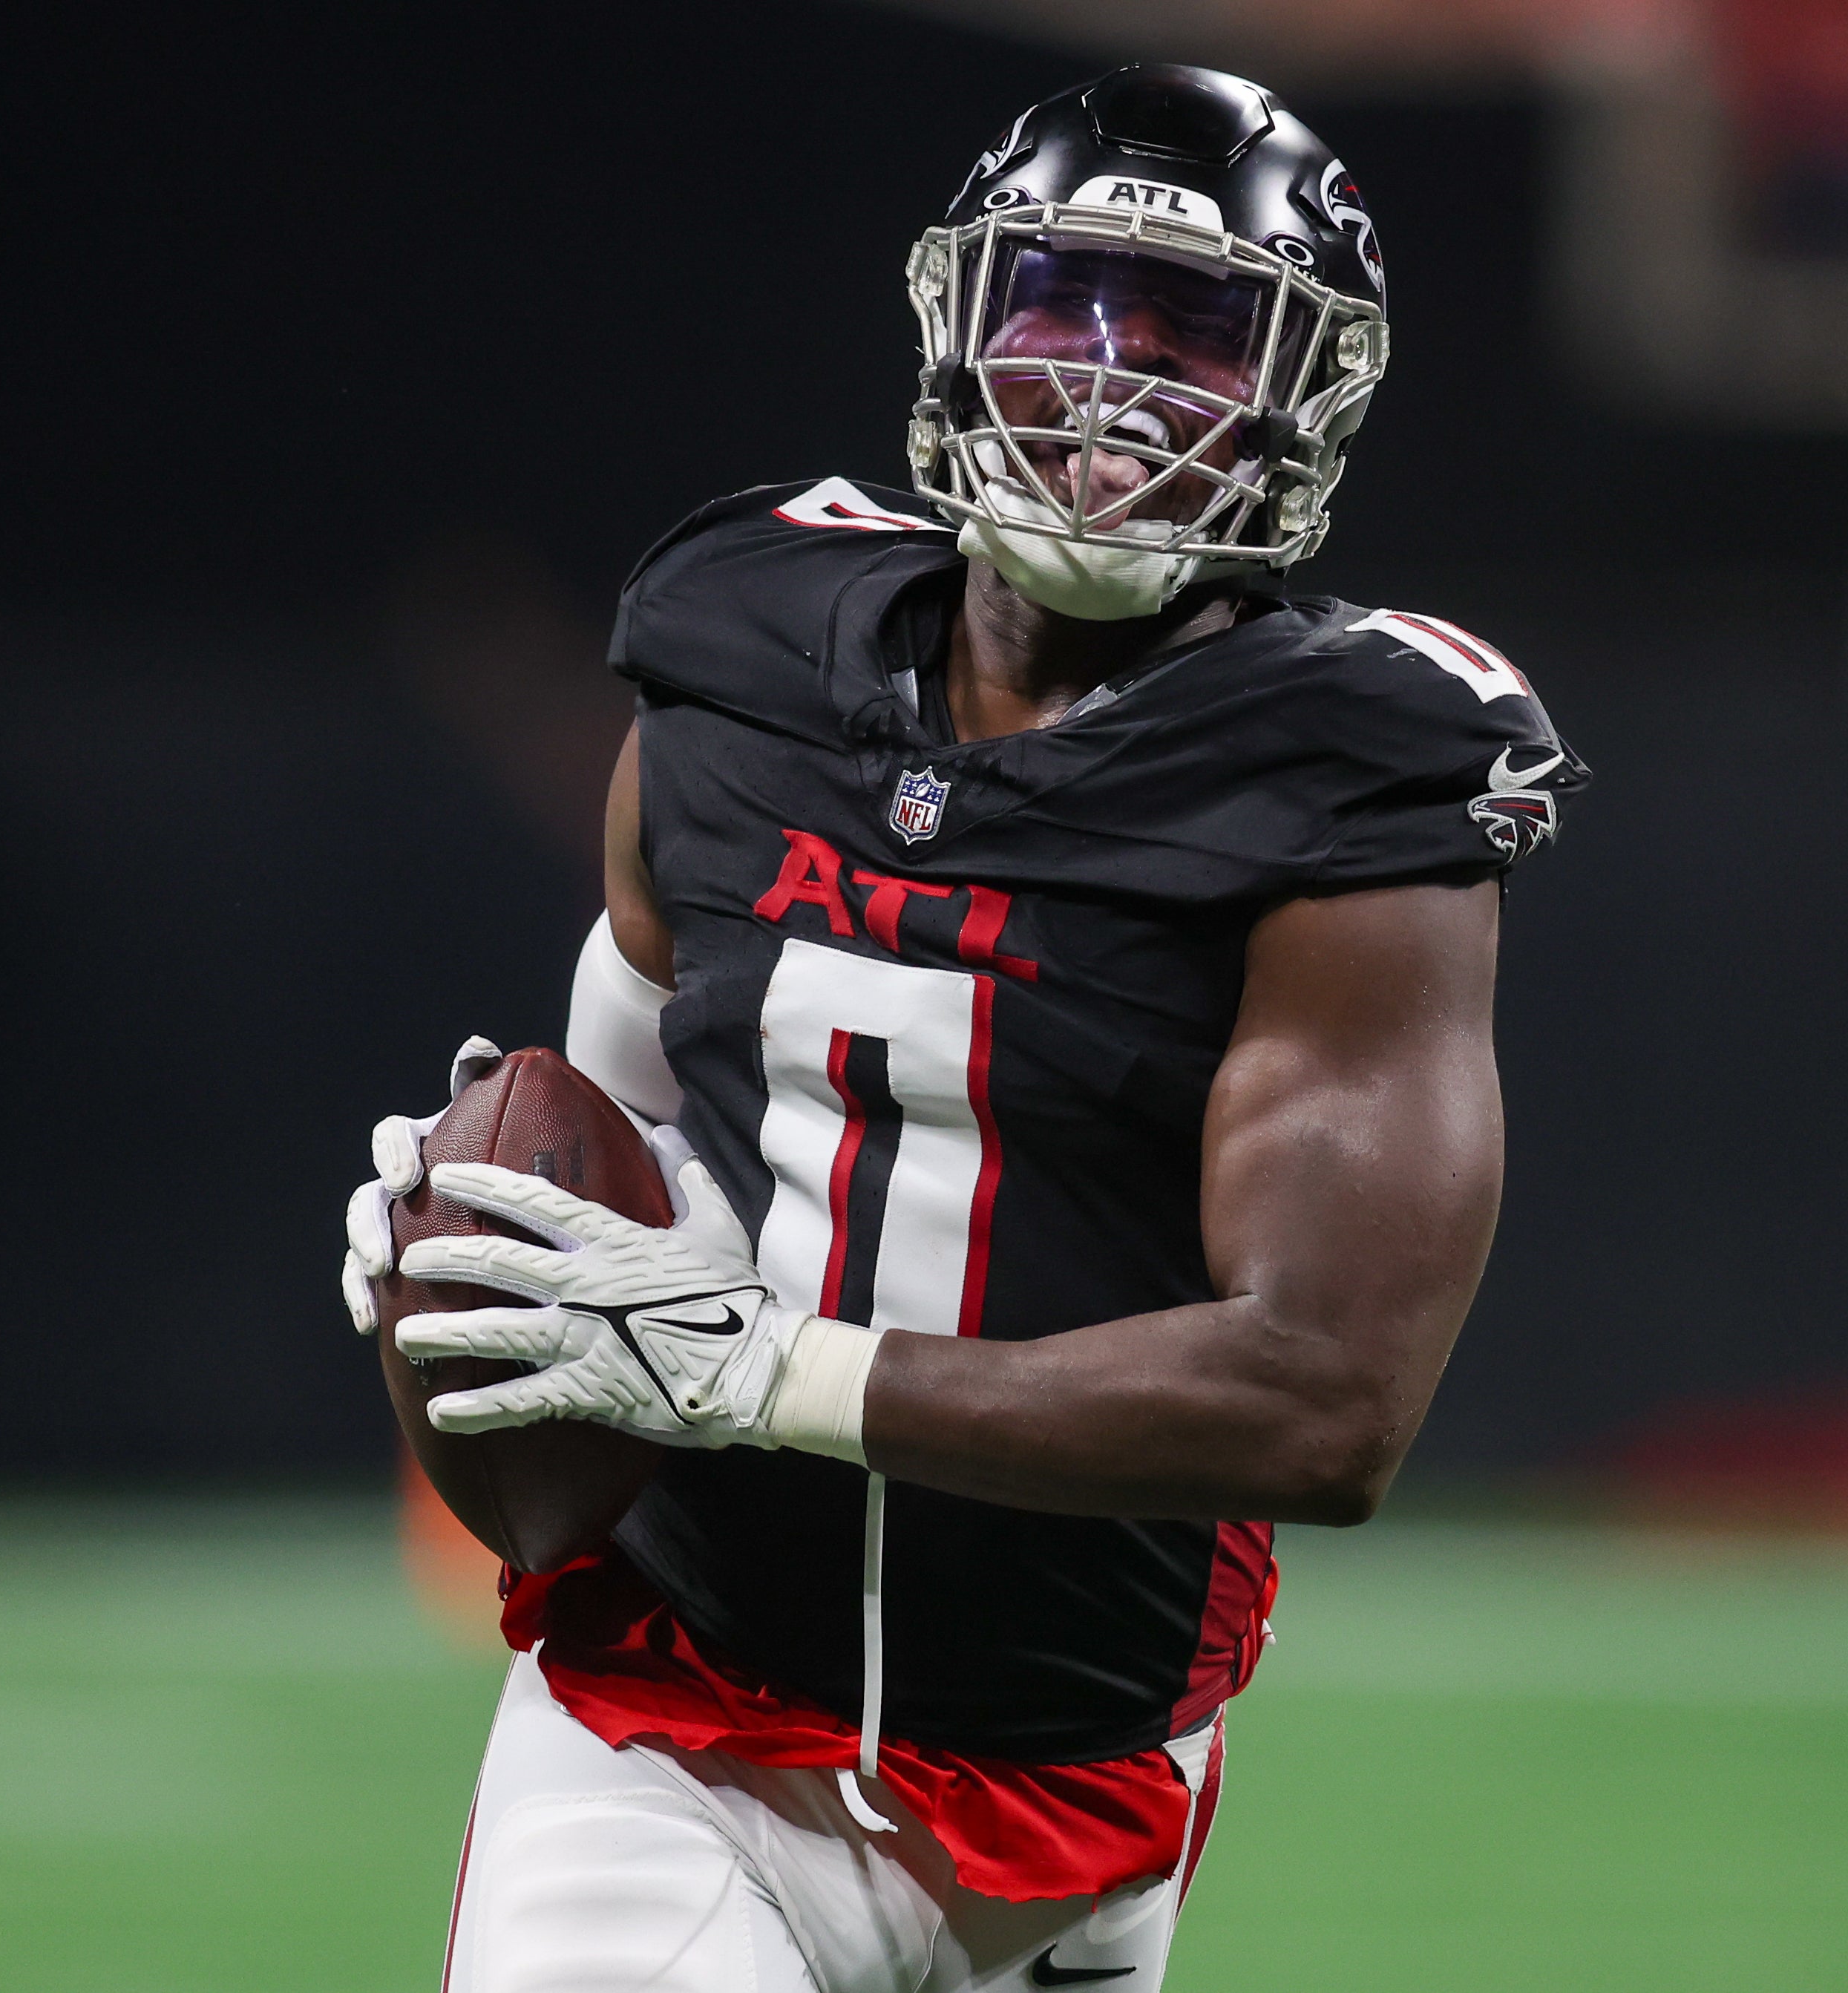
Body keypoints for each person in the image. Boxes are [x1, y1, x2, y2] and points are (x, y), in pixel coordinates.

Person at [338, 64, 1583, 1993]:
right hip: (667, 1725)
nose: (1106, 393)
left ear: (1306, 396)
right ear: (956, 319)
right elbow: (617, 1097)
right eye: (1063, 308)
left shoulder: (1357, 788)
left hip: (1064, 1797)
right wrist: (469, 1214)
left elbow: (1324, 1400)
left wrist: (765, 1373)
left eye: (1189, 337)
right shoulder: (741, 650)